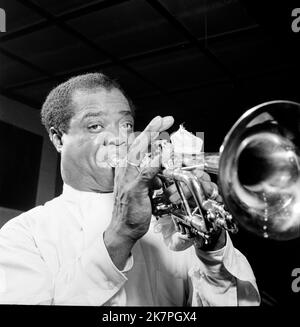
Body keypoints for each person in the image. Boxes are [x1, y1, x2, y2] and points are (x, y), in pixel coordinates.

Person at [0, 73, 260, 306]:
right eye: (95, 126)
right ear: (58, 138)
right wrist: (121, 233)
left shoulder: (172, 222)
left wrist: (211, 245)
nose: (118, 138)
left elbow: (237, 303)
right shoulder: (23, 235)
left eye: (125, 125)